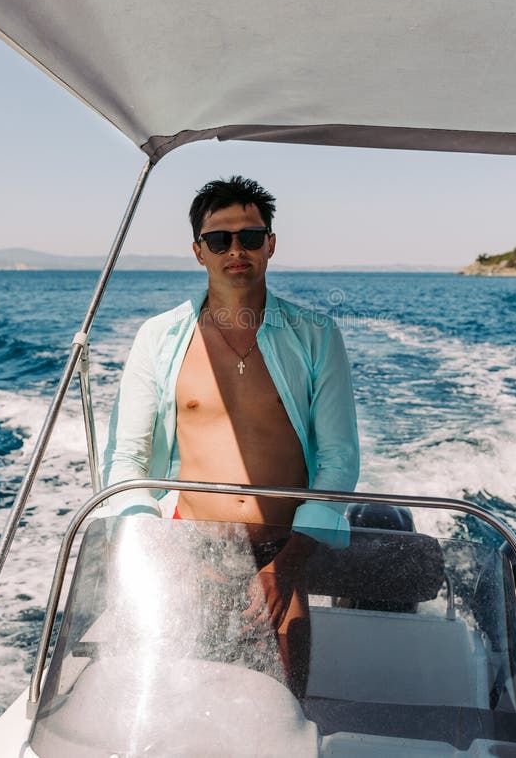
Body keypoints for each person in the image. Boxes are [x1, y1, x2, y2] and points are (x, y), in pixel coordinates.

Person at [102, 175, 359, 695]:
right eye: (219, 239)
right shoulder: (159, 338)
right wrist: (158, 552)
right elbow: (124, 459)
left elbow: (338, 457)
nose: (235, 250)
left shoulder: (316, 335)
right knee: (175, 713)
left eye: (250, 236)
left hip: (281, 553)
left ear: (271, 244)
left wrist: (286, 568)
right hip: (187, 555)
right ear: (199, 251)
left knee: (282, 714)